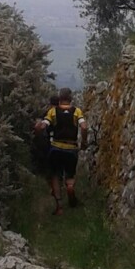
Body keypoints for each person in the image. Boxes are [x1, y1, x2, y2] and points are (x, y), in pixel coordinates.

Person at [37, 87, 88, 215]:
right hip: (71, 148)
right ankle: (70, 187)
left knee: (55, 175)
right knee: (70, 174)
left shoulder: (52, 111)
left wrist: (39, 128)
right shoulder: (77, 111)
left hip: (55, 148)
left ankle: (59, 206)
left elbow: (43, 125)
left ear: (59, 98)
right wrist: (84, 142)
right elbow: (84, 127)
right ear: (71, 98)